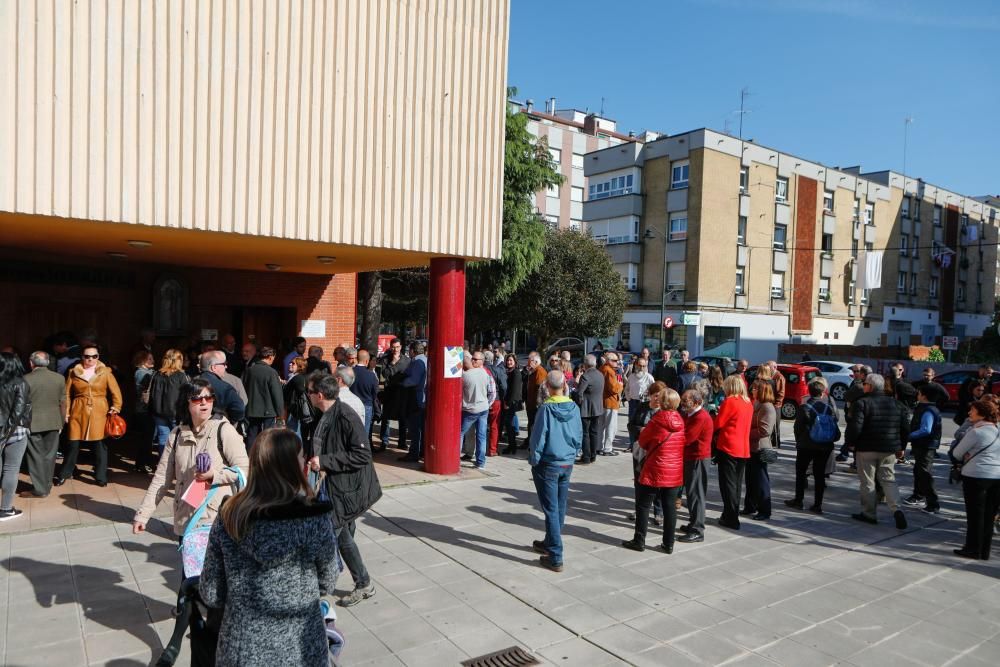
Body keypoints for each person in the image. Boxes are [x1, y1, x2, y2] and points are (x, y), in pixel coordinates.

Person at [200, 428, 339, 667]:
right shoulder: (314, 518)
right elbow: (328, 581)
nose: (305, 462)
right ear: (291, 466)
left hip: (242, 647)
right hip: (303, 646)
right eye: (301, 456)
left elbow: (211, 593)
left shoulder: (229, 517)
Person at [133, 378, 249, 537]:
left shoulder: (224, 430)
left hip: (216, 521)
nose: (204, 403)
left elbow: (244, 470)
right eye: (197, 398)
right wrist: (143, 515)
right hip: (185, 520)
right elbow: (161, 478)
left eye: (209, 398)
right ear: (185, 403)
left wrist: (214, 475)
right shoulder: (177, 434)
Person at [307, 372, 382, 606]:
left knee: (332, 536)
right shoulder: (326, 414)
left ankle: (350, 583)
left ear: (319, 395)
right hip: (334, 487)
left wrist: (325, 461)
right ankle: (363, 583)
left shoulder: (345, 416)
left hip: (347, 489)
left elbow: (362, 455)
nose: (307, 396)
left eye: (309, 392)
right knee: (343, 537)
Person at [529, 371, 582, 572]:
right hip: (566, 461)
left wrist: (534, 458)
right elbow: (579, 433)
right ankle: (551, 541)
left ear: (547, 386)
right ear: (565, 385)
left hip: (549, 462)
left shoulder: (547, 409)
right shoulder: (573, 407)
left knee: (551, 508)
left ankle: (555, 554)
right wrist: (574, 451)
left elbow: (539, 436)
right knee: (559, 505)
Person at [622, 386, 685, 554]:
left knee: (643, 505)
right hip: (674, 469)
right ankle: (668, 544)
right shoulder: (680, 421)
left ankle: (639, 540)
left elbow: (642, 441)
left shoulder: (657, 420)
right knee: (670, 507)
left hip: (655, 468)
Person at [846, 373, 909, 529]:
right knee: (889, 479)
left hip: (866, 448)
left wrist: (851, 443)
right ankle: (897, 509)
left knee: (868, 481)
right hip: (889, 449)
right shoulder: (897, 404)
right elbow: (905, 428)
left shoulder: (862, 403)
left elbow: (855, 427)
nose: (863, 386)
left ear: (871, 386)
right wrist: (902, 447)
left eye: (865, 384)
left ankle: (869, 514)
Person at [57, 345, 123, 487]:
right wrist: (66, 412)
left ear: (98, 357)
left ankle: (101, 476)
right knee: (72, 444)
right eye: (87, 356)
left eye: (94, 356)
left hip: (99, 410)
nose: (91, 359)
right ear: (82, 357)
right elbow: (67, 394)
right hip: (78, 410)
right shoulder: (73, 372)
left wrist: (115, 407)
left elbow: (116, 392)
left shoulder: (105, 372)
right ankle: (64, 473)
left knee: (100, 445)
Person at [950, 399, 1000, 560]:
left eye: (972, 410)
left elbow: (957, 453)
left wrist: (967, 454)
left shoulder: (976, 431)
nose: (969, 413)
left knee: (975, 515)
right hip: (996, 477)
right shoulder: (998, 430)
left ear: (981, 413)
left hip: (975, 476)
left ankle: (972, 548)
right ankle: (984, 550)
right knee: (988, 515)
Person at [788, 378, 840, 513]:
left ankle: (798, 500)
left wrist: (799, 440)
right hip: (825, 446)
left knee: (801, 472)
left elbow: (797, 427)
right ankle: (818, 504)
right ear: (822, 393)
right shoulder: (828, 408)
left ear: (809, 392)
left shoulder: (804, 407)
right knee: (820, 475)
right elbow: (835, 426)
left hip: (806, 445)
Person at [23, 351, 66, 498]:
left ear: (31, 363)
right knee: (50, 456)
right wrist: (61, 422)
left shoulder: (25, 379)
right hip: (54, 421)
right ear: (47, 362)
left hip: (33, 422)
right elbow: (62, 403)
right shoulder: (59, 378)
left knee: (35, 457)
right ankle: (46, 486)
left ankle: (40, 489)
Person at [714, 375, 753, 530]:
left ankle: (730, 517)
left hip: (729, 446)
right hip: (743, 447)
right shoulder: (748, 403)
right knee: (736, 485)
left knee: (727, 484)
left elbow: (719, 423)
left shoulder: (730, 401)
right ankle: (731, 514)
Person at [903, 385, 945, 514]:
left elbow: (926, 430)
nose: (917, 394)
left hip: (926, 446)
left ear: (924, 395)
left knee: (925, 473)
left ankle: (933, 503)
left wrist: (909, 436)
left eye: (919, 392)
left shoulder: (928, 410)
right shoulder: (924, 408)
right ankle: (918, 496)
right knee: (919, 471)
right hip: (921, 445)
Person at [0, 353, 31, 521]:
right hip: (15, 432)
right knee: (11, 469)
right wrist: (6, 435)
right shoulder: (20, 383)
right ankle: (5, 509)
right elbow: (18, 413)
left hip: (3, 430)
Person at [679, 388, 713, 542]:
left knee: (697, 494)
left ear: (697, 402)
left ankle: (698, 530)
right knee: (691, 493)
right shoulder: (691, 414)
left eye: (687, 402)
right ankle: (693, 523)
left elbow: (687, 437)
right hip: (691, 458)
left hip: (698, 459)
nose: (683, 404)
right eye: (683, 400)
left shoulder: (700, 417)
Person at [743, 381, 776, 520]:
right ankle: (750, 506)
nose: (753, 390)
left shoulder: (768, 407)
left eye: (756, 388)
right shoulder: (757, 403)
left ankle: (764, 510)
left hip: (760, 448)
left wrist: (745, 432)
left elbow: (765, 430)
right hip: (751, 447)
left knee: (761, 480)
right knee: (750, 479)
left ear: (763, 390)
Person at [147, 349, 191, 457]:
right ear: (178, 360)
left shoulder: (156, 374)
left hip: (158, 412)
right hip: (175, 414)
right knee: (178, 439)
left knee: (163, 438)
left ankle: (164, 465)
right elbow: (187, 395)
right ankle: (176, 465)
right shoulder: (181, 376)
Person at [243, 346, 285, 448]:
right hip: (268, 411)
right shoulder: (271, 372)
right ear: (270, 357)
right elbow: (277, 394)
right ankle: (265, 457)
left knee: (251, 435)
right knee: (267, 436)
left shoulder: (249, 370)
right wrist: (280, 413)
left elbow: (243, 388)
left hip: (251, 409)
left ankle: (250, 457)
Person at [460, 351, 494, 469]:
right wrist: (487, 404)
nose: (473, 360)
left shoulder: (464, 375)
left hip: (470, 410)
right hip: (483, 409)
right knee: (481, 436)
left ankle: (454, 459)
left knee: (460, 434)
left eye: (475, 359)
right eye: (472, 359)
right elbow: (491, 391)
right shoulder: (485, 373)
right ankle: (481, 462)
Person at [377, 338, 410, 449]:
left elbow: (408, 376)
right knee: (386, 418)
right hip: (389, 392)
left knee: (402, 418)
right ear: (390, 347)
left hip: (402, 392)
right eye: (393, 347)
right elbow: (385, 375)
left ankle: (402, 442)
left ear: (400, 347)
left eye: (397, 347)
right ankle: (384, 441)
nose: (395, 349)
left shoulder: (407, 360)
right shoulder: (386, 360)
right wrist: (393, 363)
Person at [398, 342, 428, 462]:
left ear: (412, 351)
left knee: (415, 428)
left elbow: (413, 380)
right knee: (421, 428)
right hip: (423, 399)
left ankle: (413, 453)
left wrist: (402, 383)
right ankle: (421, 451)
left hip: (416, 398)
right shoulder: (425, 360)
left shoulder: (417, 362)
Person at [198, 351, 246, 424]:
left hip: (195, 429)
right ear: (214, 367)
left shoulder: (190, 384)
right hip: (218, 429)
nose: (226, 366)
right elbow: (239, 409)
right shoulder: (225, 387)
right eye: (224, 364)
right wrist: (228, 421)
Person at [837, 365, 871, 462]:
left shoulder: (862, 385)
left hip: (857, 416)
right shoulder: (855, 382)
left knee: (854, 437)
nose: (855, 373)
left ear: (863, 373)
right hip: (851, 414)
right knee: (850, 436)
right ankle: (844, 453)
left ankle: (853, 461)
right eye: (854, 371)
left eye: (857, 371)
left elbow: (847, 396)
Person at [131, 350, 157, 474]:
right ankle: (143, 463)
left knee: (147, 438)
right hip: (143, 410)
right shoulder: (141, 373)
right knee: (146, 438)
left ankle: (142, 463)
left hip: (144, 410)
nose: (152, 361)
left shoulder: (146, 372)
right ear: (142, 360)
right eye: (149, 359)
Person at [349, 349, 380, 439]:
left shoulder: (349, 372)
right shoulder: (371, 375)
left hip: (351, 406)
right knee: (364, 434)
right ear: (367, 361)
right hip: (366, 406)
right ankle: (362, 451)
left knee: (351, 432)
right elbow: (375, 394)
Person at [625, 357, 654, 452]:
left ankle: (642, 444)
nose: (641, 368)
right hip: (633, 402)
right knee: (632, 423)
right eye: (640, 365)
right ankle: (632, 444)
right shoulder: (631, 377)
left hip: (644, 403)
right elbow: (627, 389)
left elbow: (654, 389)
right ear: (636, 365)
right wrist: (629, 399)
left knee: (643, 424)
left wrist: (649, 399)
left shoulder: (649, 377)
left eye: (644, 366)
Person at [599, 352, 623, 456]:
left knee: (602, 426)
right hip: (611, 402)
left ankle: (599, 447)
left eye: (617, 360)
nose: (617, 362)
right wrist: (621, 385)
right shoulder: (609, 371)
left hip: (603, 401)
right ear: (608, 361)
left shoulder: (602, 368)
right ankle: (607, 449)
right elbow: (614, 388)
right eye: (614, 360)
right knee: (610, 426)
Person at [284, 356, 313, 441]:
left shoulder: (298, 378)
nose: (290, 364)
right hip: (293, 409)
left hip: (294, 410)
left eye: (293, 363)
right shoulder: (294, 377)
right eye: (290, 362)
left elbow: (301, 390)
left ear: (299, 366)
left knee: (294, 433)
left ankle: (296, 452)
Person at [501, 353, 524, 456]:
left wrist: (508, 403)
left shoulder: (516, 373)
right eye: (508, 360)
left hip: (512, 403)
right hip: (509, 402)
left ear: (515, 362)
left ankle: (512, 446)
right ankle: (511, 446)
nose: (509, 362)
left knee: (510, 425)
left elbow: (514, 390)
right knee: (509, 426)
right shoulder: (509, 371)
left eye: (511, 360)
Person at [524, 352, 548, 446]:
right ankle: (530, 444)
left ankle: (532, 445)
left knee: (533, 426)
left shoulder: (540, 372)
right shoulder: (534, 371)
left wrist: (537, 404)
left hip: (535, 405)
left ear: (536, 361)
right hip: (531, 404)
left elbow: (540, 389)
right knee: (531, 424)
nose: (528, 363)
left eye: (530, 361)